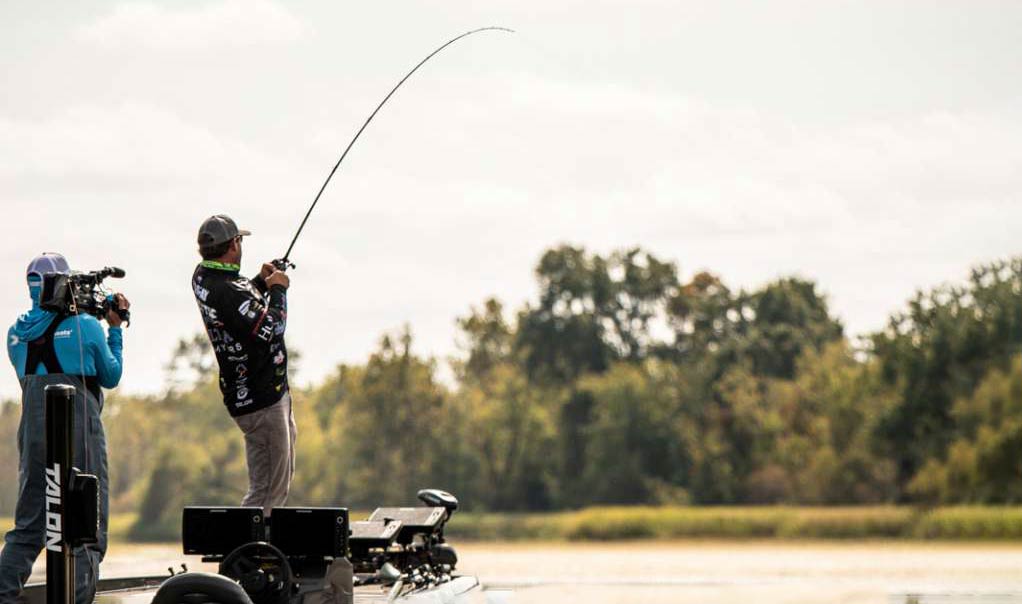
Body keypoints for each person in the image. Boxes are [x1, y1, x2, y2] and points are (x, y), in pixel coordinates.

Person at [0, 253, 129, 604]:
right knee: (87, 524)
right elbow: (111, 375)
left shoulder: (15, 334)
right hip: (78, 428)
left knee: (28, 528)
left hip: (33, 432)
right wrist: (115, 329)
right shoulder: (86, 326)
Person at [191, 215, 295, 515]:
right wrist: (278, 289)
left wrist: (260, 282)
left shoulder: (203, 276)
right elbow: (270, 328)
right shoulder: (229, 290)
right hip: (262, 401)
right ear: (233, 245)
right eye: (240, 240)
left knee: (276, 481)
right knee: (268, 493)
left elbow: (236, 309)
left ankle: (254, 552)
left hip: (260, 394)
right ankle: (247, 556)